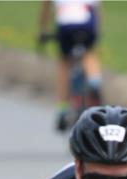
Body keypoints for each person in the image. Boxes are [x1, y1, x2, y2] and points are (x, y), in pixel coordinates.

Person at [37, 0, 103, 130]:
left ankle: (62, 108)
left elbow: (45, 6)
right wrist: (97, 30)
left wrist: (42, 29)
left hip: (65, 21)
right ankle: (94, 81)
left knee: (63, 63)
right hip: (87, 20)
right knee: (88, 54)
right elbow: (97, 9)